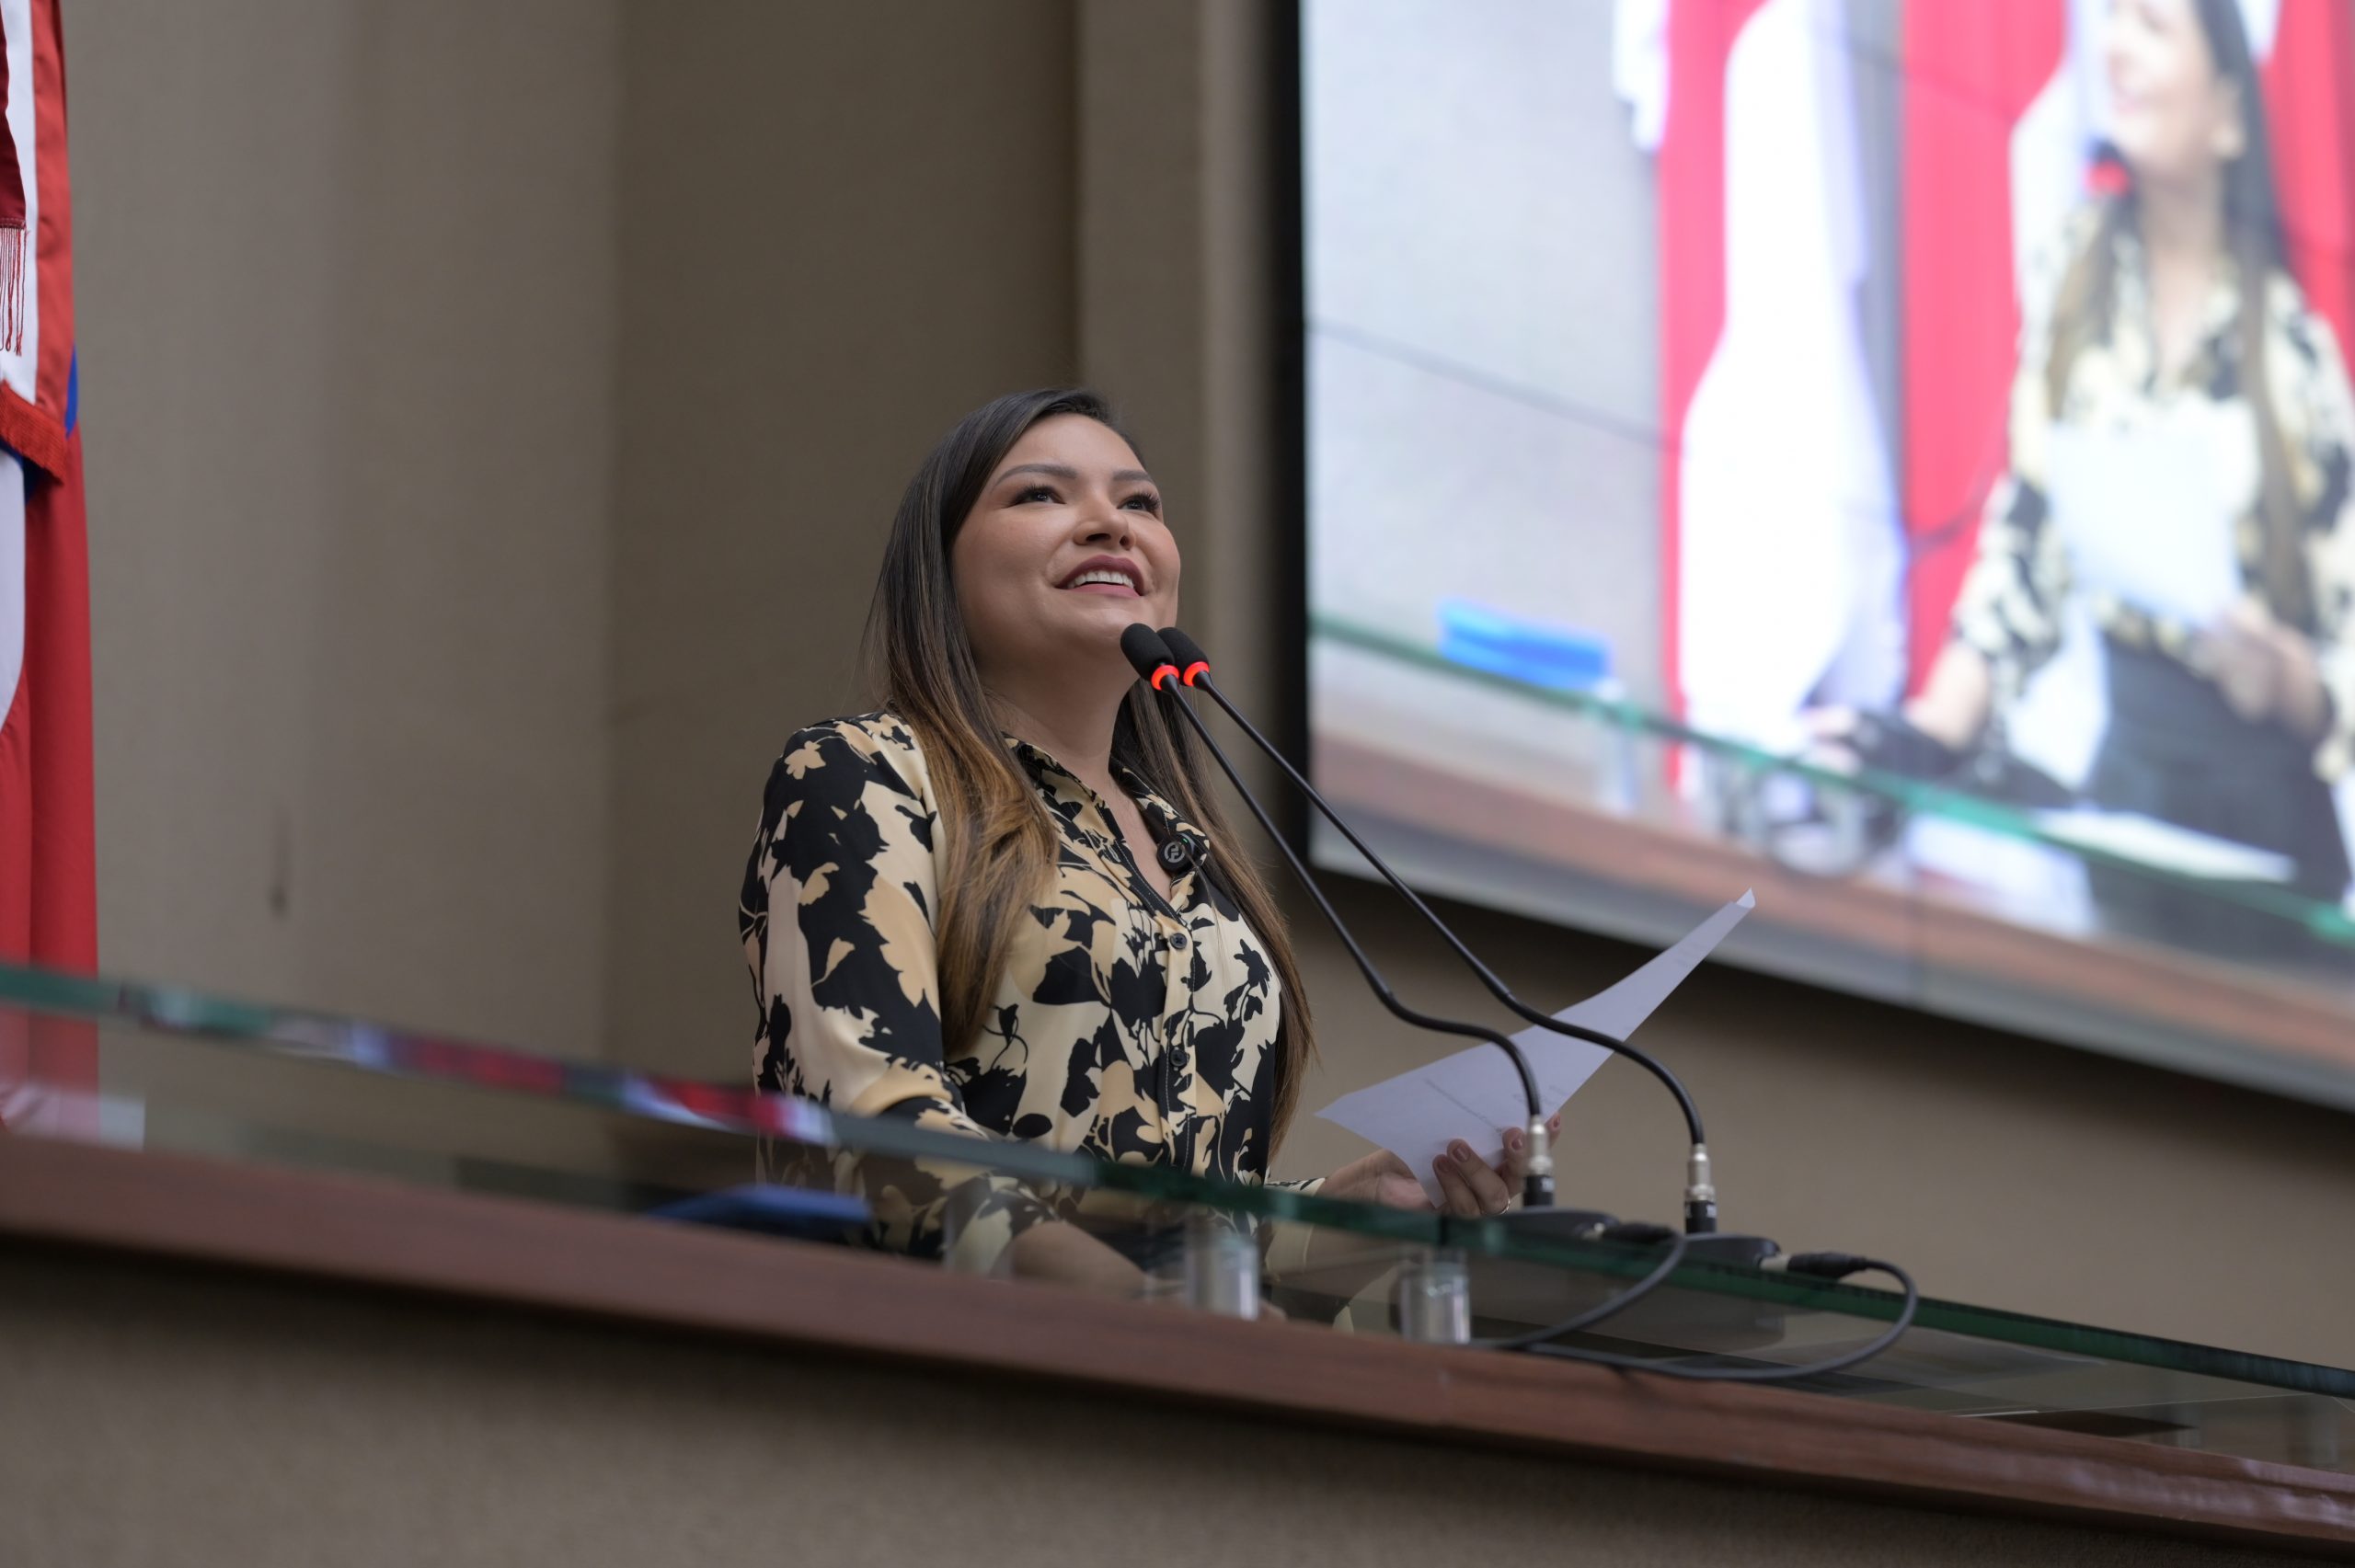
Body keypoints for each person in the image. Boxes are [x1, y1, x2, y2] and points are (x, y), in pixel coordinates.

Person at [739, 388, 1551, 1294]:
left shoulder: (1189, 851)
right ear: (943, 570)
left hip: (1169, 1402)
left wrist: (1347, 1214)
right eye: (1041, 494)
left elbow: (1200, 1227)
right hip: (932, 1391)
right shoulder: (863, 774)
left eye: (1139, 503)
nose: (1108, 525)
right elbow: (871, 1128)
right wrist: (1152, 1312)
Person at [1849, 0, 2355, 949]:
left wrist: (2286, 680)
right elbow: (2026, 546)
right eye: (2115, 19)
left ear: (2228, 112)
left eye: (2154, 26)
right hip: (2129, 786)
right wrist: (1930, 731)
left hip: (2268, 823)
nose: (2116, 44)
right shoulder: (2074, 275)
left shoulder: (2295, 351)